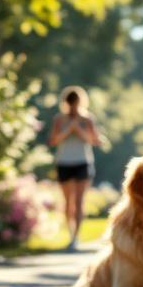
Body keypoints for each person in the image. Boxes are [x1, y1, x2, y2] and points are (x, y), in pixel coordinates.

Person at [48, 86, 100, 251]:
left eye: (75, 103)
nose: (73, 107)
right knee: (68, 201)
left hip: (82, 162)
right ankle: (70, 235)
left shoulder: (87, 119)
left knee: (79, 201)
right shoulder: (59, 119)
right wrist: (68, 128)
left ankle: (76, 237)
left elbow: (94, 141)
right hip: (64, 162)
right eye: (70, 103)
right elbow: (53, 141)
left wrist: (78, 128)